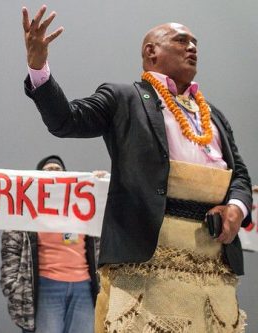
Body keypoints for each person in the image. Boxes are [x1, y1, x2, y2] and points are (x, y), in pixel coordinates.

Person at [21, 6, 252, 332]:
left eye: (195, 42)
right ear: (151, 51)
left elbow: (240, 174)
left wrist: (236, 208)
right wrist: (38, 67)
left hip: (213, 261)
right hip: (148, 258)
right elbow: (65, 120)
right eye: (181, 40)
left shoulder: (212, 115)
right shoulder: (124, 98)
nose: (192, 47)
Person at [0, 155, 99, 333]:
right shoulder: (25, 210)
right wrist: (14, 287)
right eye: (47, 170)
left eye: (57, 170)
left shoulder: (84, 205)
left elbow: (106, 224)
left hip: (83, 288)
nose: (53, 172)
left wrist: (101, 183)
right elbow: (11, 249)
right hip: (45, 287)